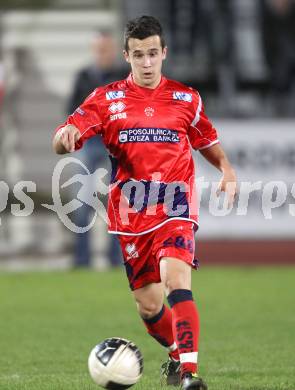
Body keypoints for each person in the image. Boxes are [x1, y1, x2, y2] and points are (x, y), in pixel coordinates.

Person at [53, 16, 237, 390]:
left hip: (175, 206)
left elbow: (206, 140)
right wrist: (65, 137)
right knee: (149, 307)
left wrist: (227, 169)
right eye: (139, 55)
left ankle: (190, 375)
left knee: (176, 280)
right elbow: (64, 136)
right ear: (127, 56)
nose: (148, 62)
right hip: (131, 215)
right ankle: (174, 353)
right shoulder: (106, 100)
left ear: (164, 53)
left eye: (153, 53)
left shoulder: (186, 98)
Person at [67, 30, 126, 268]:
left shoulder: (124, 76)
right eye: (100, 49)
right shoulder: (83, 76)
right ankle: (82, 260)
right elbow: (71, 109)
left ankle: (116, 259)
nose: (104, 54)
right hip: (90, 141)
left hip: (115, 145)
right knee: (82, 204)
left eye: (107, 49)